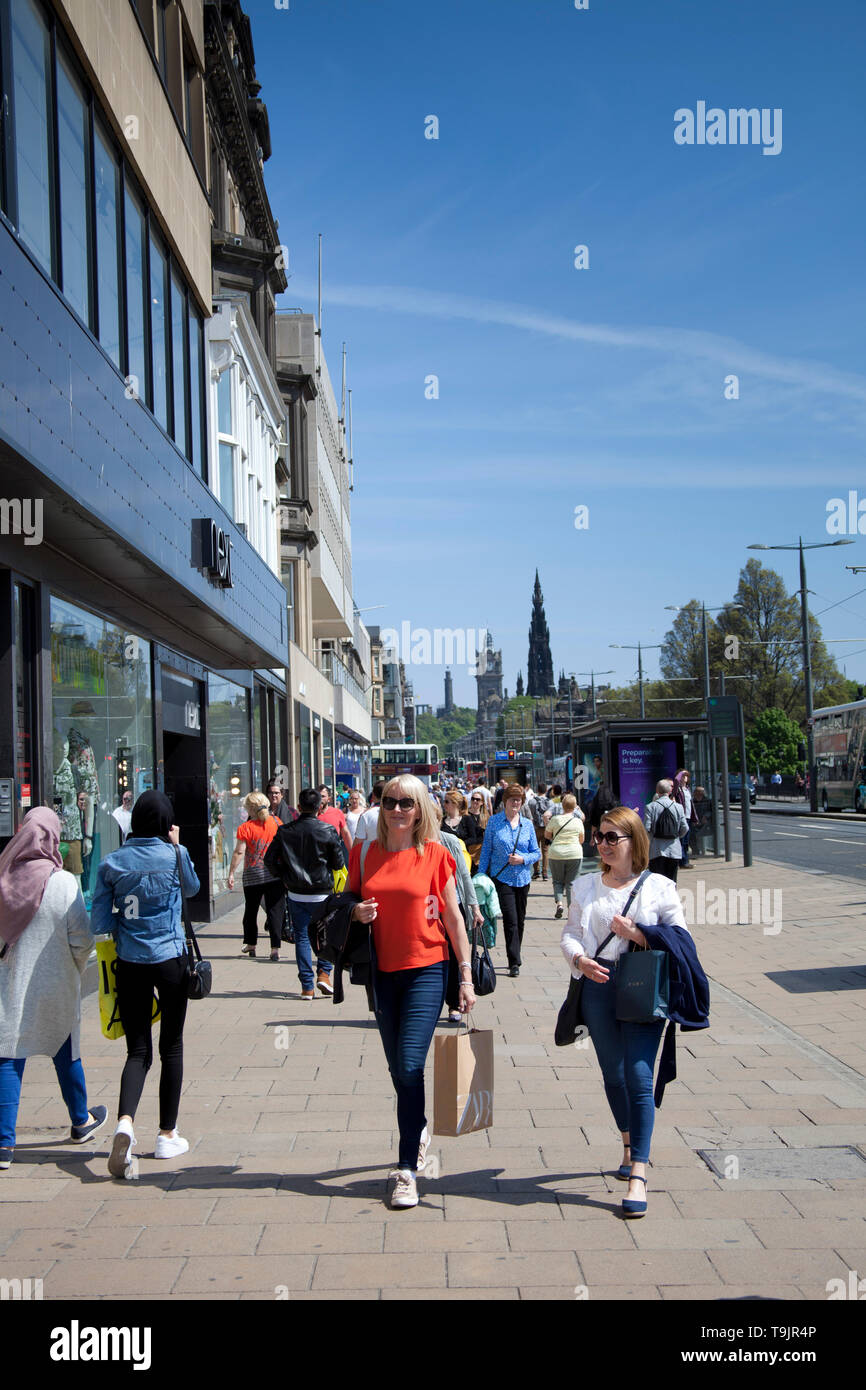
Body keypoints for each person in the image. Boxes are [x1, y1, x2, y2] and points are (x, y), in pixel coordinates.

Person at [348, 775, 477, 1209]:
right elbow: (341, 903)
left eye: (407, 803)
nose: (397, 809)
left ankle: (406, 1169)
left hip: (427, 969)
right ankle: (417, 1125)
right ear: (380, 807)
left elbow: (453, 917)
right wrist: (355, 911)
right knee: (400, 1072)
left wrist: (465, 976)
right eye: (389, 802)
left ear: (420, 809)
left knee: (409, 1061)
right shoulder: (364, 852)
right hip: (382, 973)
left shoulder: (437, 854)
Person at [561, 805, 690, 1217]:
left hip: (642, 987)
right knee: (613, 1074)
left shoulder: (660, 888)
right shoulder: (584, 886)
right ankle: (628, 1141)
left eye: (612, 837)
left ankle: (638, 1172)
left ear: (634, 841)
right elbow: (570, 935)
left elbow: (682, 940)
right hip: (598, 988)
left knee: (637, 1075)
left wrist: (638, 933)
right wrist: (579, 961)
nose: (602, 844)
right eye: (599, 836)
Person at [91, 790, 200, 1179]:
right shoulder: (174, 855)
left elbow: (100, 922)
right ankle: (167, 1135)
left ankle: (124, 1123)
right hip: (170, 960)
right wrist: (176, 845)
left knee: (137, 1051)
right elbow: (192, 889)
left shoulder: (112, 863)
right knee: (172, 1045)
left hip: (130, 963)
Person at [0, 808, 107, 1169]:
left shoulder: (3, 875)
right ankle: (81, 1121)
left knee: (9, 1055)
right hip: (57, 983)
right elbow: (82, 939)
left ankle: (4, 1144)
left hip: (10, 986)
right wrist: (76, 969)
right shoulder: (62, 882)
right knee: (66, 1050)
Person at [264, 787, 344, 998]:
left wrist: (285, 877)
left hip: (296, 892)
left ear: (299, 807)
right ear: (320, 807)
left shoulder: (285, 831)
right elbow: (338, 864)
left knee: (301, 937)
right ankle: (324, 975)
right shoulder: (327, 831)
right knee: (325, 935)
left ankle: (307, 986)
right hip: (322, 892)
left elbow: (269, 860)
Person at [477, 782, 540, 977]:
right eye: (513, 800)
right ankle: (514, 961)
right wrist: (480, 875)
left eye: (519, 800)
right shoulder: (494, 823)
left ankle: (516, 953)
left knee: (520, 920)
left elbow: (536, 852)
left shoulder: (527, 824)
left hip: (522, 878)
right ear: (505, 802)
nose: (516, 803)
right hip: (501, 878)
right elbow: (486, 851)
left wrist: (523, 859)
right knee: (511, 920)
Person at [431, 801, 485, 1023]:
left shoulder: (450, 841)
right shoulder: (412, 843)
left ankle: (454, 1003)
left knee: (454, 955)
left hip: (454, 904)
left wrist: (475, 907)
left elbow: (464, 876)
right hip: (429, 907)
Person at [227, 792, 285, 961]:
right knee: (275, 911)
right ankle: (275, 948)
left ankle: (251, 944)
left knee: (250, 910)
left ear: (250, 809)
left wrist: (231, 872)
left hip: (252, 874)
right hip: (275, 874)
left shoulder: (246, 828)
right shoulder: (277, 823)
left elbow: (239, 851)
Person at [545, 792, 585, 919]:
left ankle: (559, 903)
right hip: (574, 853)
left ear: (562, 805)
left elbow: (547, 835)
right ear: (575, 807)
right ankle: (571, 910)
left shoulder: (555, 819)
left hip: (556, 853)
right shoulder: (578, 821)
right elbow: (582, 839)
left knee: (557, 881)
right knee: (571, 883)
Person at [644, 779, 688, 884]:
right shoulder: (678, 807)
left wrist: (651, 839)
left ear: (657, 791)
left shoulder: (650, 807)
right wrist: (676, 836)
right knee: (672, 881)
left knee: (656, 882)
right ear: (669, 792)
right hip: (674, 850)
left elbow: (646, 828)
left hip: (656, 850)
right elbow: (685, 827)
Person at [317, 784, 352, 859]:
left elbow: (345, 834)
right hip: (316, 858)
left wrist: (352, 853)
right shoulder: (311, 814)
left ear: (329, 799)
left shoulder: (337, 813)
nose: (320, 799)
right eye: (318, 796)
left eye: (323, 796)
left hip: (334, 857)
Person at [672, 769, 697, 869]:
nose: (684, 777)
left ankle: (684, 860)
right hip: (681, 818)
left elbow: (690, 805)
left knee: (686, 841)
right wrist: (679, 775)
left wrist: (694, 818)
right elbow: (674, 789)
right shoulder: (677, 789)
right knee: (681, 841)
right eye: (682, 775)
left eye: (686, 776)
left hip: (688, 817)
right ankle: (682, 862)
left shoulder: (687, 789)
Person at [529, 782, 552, 881]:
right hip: (546, 828)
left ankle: (536, 871)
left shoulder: (531, 802)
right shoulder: (550, 802)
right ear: (546, 790)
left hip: (535, 828)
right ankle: (545, 873)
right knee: (545, 851)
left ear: (537, 790)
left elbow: (529, 815)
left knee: (535, 850)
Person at [463, 790, 489, 871]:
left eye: (477, 799)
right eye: (473, 799)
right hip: (467, 851)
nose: (475, 801)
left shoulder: (485, 817)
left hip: (480, 853)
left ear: (482, 802)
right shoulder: (465, 815)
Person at [691, 785, 712, 856]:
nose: (699, 794)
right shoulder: (692, 801)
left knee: (702, 834)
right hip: (694, 823)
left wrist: (706, 816)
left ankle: (703, 849)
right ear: (694, 793)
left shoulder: (708, 801)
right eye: (697, 792)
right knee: (692, 835)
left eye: (701, 792)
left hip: (705, 823)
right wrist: (693, 820)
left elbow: (711, 811)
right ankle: (695, 851)